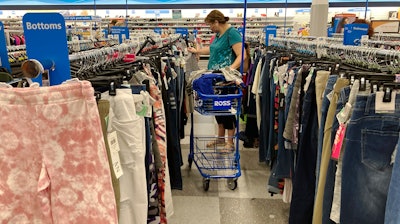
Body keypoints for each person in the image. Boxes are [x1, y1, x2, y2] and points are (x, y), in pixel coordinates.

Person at [188, 9, 247, 152]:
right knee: (217, 109)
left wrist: (230, 71)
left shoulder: (232, 33)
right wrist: (197, 51)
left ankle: (230, 143)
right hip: (215, 78)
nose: (210, 28)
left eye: (210, 25)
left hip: (225, 80)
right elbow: (213, 49)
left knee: (226, 109)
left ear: (216, 21)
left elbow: (242, 55)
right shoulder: (219, 35)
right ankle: (220, 139)